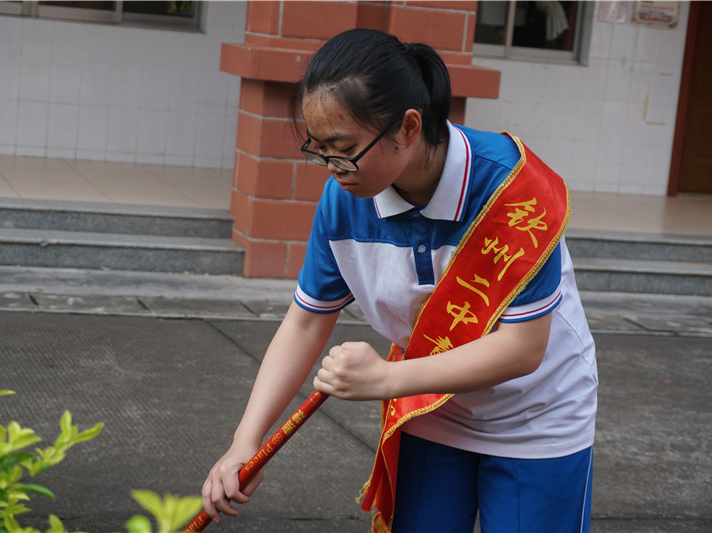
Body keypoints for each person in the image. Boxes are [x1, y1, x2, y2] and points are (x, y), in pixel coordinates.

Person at [201, 28, 597, 533]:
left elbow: (521, 349)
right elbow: (305, 323)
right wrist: (244, 442)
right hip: (431, 406)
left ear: (408, 127)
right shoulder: (345, 201)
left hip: (537, 415)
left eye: (341, 147)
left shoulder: (512, 189)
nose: (331, 167)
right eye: (317, 147)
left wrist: (385, 380)